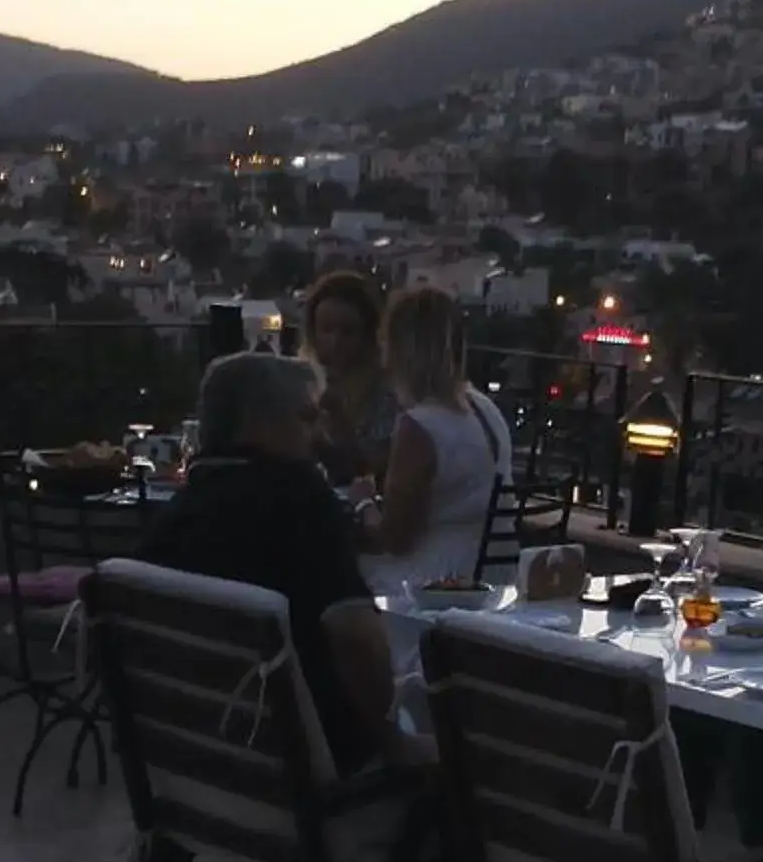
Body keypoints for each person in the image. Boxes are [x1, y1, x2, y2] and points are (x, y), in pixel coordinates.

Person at [137, 351, 397, 768]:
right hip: (306, 782)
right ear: (258, 424)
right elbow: (358, 641)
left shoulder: (171, 523)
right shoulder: (302, 502)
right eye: (307, 418)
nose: (321, 436)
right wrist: (392, 736)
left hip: (201, 773)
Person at [358, 287, 514, 587]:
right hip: (493, 575)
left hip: (431, 584)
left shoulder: (419, 426)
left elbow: (395, 540)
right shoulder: (484, 408)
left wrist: (363, 503)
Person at [302, 270, 398, 486]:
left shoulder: (385, 392)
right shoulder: (302, 378)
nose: (335, 342)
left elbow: (373, 471)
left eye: (348, 331)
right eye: (326, 329)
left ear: (368, 334)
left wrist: (339, 424)